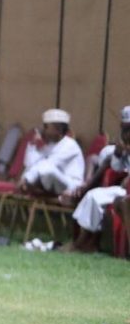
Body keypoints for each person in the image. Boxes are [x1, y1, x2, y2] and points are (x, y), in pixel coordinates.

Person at [61, 106, 130, 253]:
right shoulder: (123, 142)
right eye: (125, 128)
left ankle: (80, 244)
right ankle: (83, 242)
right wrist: (119, 153)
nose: (127, 133)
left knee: (95, 196)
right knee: (92, 195)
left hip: (127, 187)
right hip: (125, 187)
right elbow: (117, 168)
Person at [19, 109, 85, 196]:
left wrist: (27, 179)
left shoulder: (70, 145)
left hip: (71, 185)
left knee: (47, 168)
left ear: (58, 129)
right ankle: (31, 186)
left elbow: (47, 165)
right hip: (53, 184)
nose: (43, 130)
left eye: (46, 127)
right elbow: (29, 164)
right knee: (36, 168)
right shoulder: (51, 145)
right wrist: (33, 144)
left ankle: (32, 186)